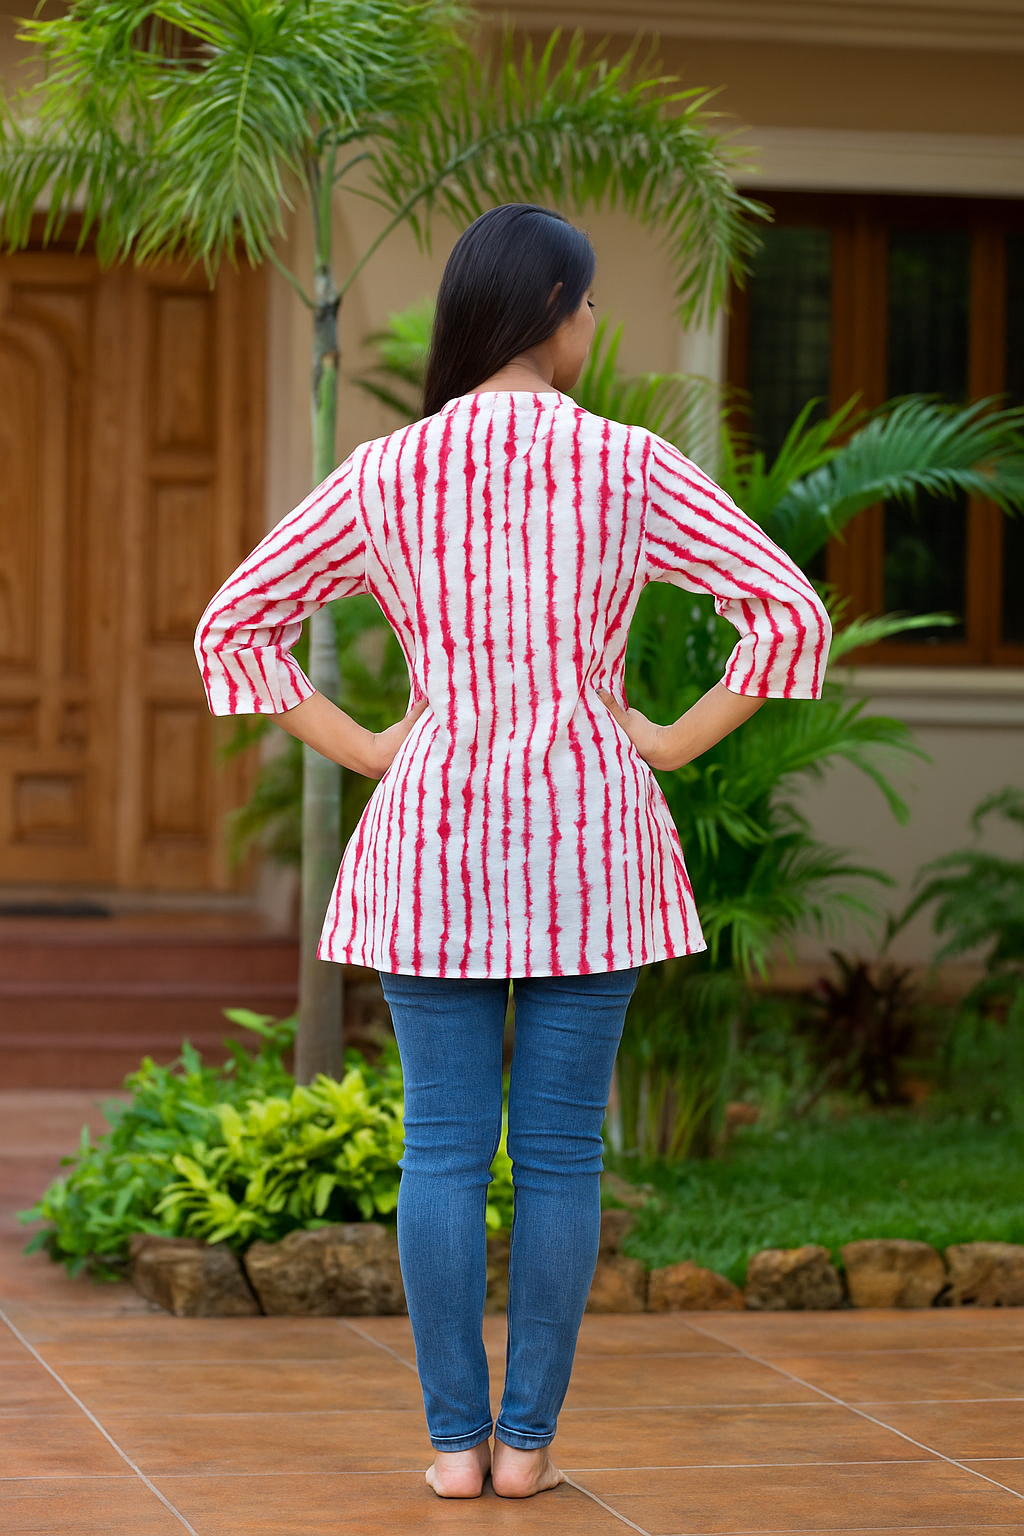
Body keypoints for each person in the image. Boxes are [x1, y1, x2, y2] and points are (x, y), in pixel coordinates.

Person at [195, 203, 831, 1501]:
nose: (592, 324)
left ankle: (454, 1446)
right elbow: (787, 611)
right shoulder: (630, 465)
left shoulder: (387, 472)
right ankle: (528, 1447)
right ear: (551, 308)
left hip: (429, 851)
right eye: (587, 304)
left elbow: (235, 624)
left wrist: (370, 750)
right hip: (593, 850)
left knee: (439, 1151)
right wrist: (669, 741)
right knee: (560, 1160)